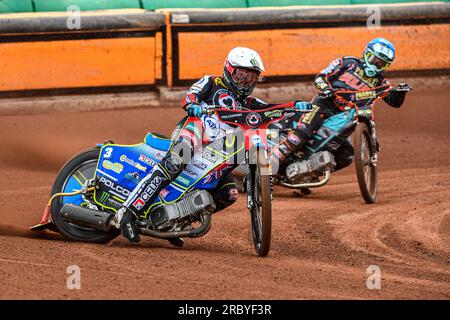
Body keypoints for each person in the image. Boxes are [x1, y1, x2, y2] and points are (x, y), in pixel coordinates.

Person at [115, 47, 308, 243]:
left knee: (229, 194)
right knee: (175, 162)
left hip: (218, 152)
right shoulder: (211, 82)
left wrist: (295, 106)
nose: (245, 82)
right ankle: (127, 212)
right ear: (229, 69)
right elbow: (190, 96)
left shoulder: (250, 102)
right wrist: (194, 106)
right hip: (194, 131)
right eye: (241, 76)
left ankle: (176, 221)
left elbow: (271, 108)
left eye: (251, 78)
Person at [271, 37, 411, 173]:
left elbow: (394, 102)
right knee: (302, 134)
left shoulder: (381, 83)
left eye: (381, 64)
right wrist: (325, 89)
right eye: (373, 59)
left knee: (347, 155)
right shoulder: (348, 63)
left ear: (386, 66)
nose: (375, 65)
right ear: (366, 54)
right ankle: (269, 164)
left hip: (345, 117)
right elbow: (321, 76)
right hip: (325, 105)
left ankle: (307, 174)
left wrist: (401, 92)